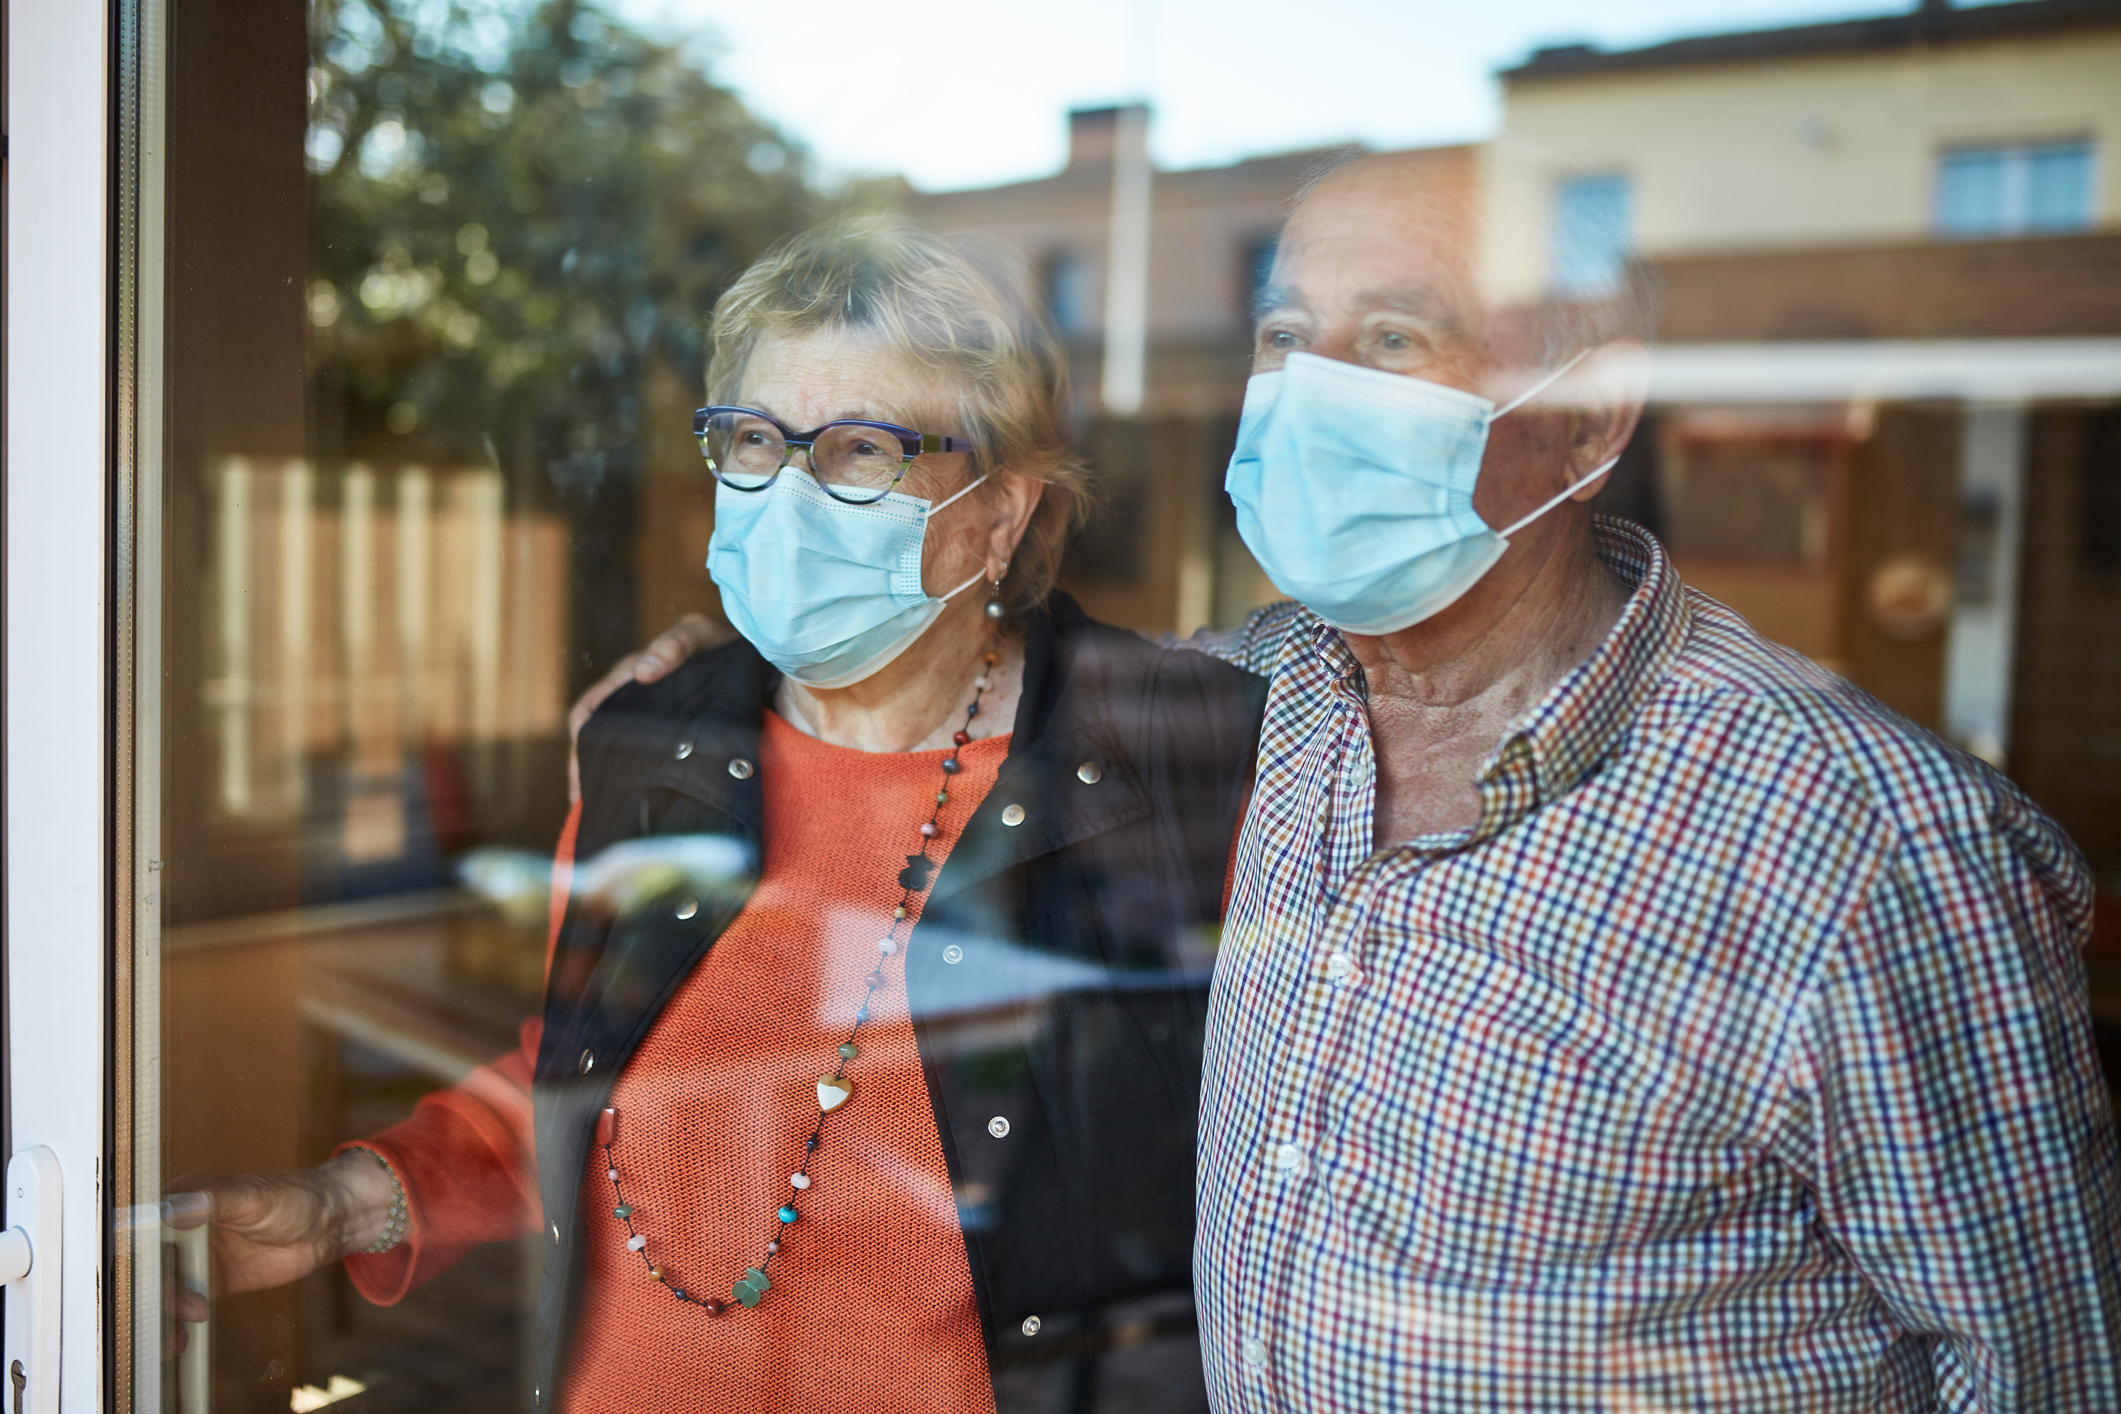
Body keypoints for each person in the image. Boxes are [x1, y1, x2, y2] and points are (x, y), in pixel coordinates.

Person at [625, 150, 2121, 1407]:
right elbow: (935, 677)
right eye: (1286, 337)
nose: (1310, 392)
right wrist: (715, 670)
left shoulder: (1871, 846)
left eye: (1394, 340)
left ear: (1590, 419)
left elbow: (2044, 1368)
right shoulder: (1242, 699)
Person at [191, 219, 1265, 1414]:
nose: (790, 494)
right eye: (755, 439)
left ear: (1001, 511)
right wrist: (350, 1203)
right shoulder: (654, 743)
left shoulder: (1168, 766)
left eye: (861, 450)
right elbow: (585, 1086)